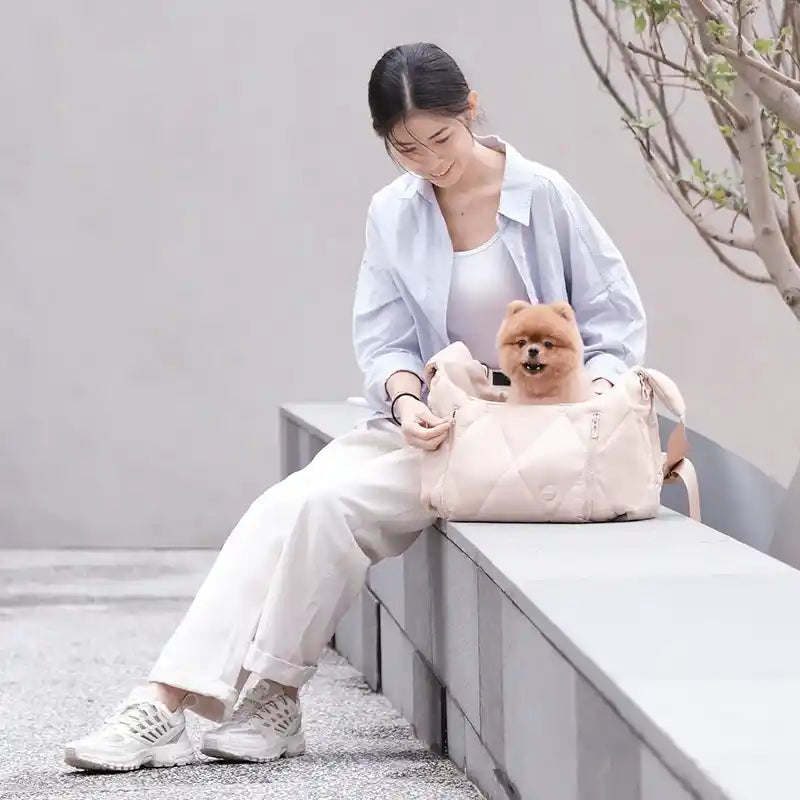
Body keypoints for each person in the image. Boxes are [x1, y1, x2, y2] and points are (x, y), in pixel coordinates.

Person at [64, 41, 645, 772]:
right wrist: (405, 401)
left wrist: (572, 398)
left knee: (320, 507)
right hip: (443, 428)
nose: (430, 161)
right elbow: (385, 340)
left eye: (442, 138)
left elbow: (615, 322)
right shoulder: (393, 213)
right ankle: (167, 700)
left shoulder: (546, 195)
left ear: (472, 108)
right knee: (293, 504)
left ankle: (272, 694)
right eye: (406, 148)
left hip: (537, 441)